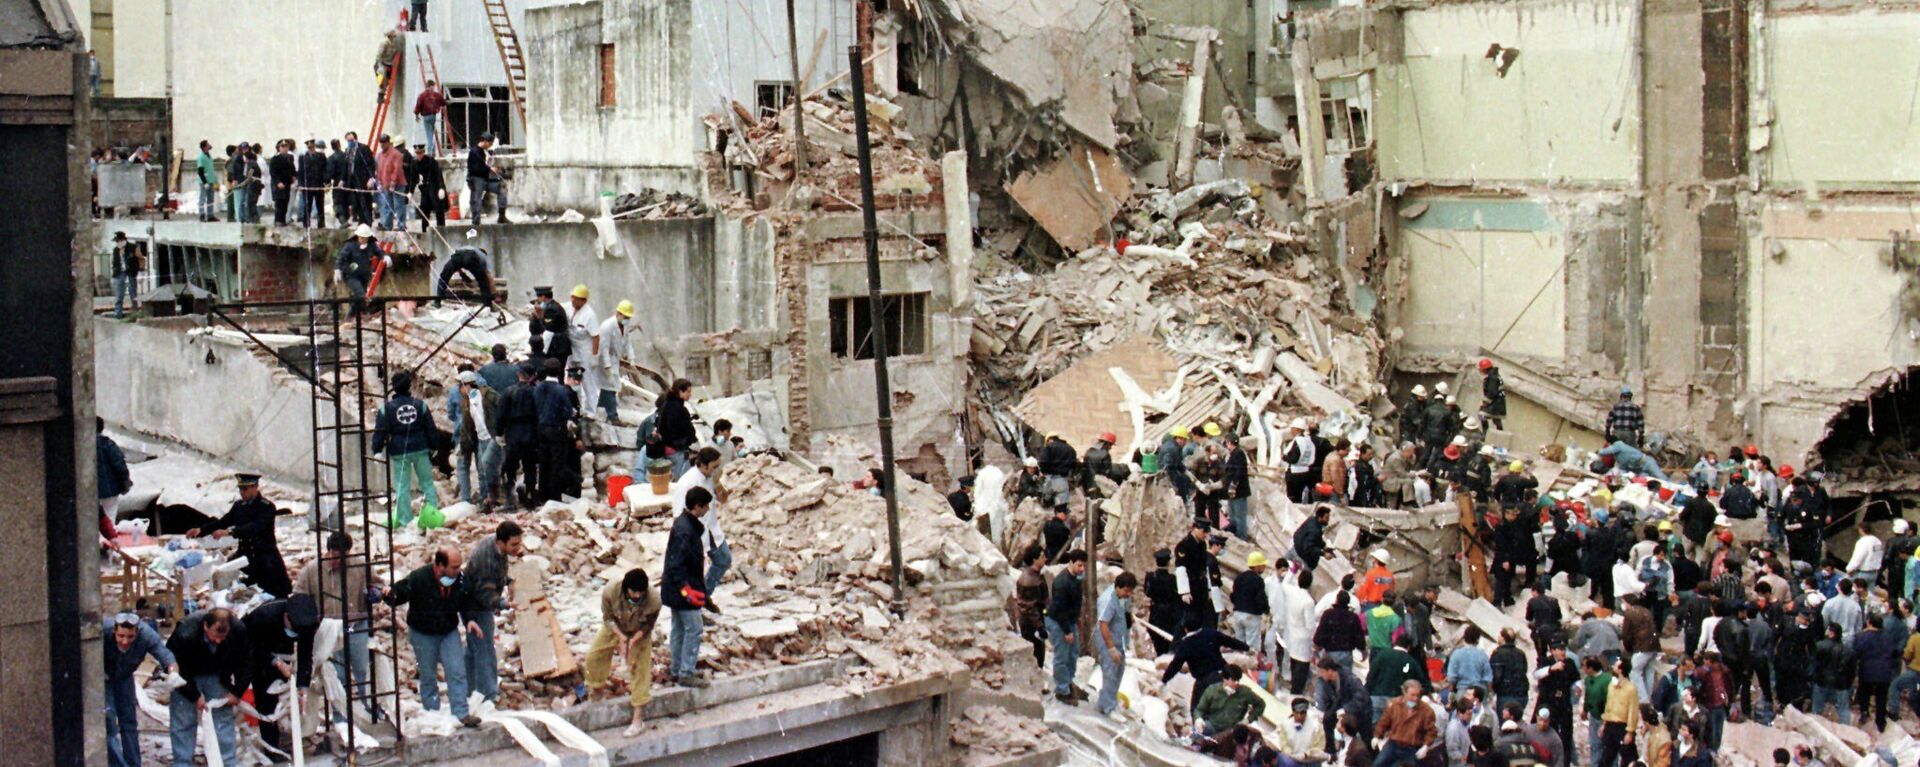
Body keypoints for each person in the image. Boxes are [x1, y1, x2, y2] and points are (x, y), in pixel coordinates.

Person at [383, 547, 482, 727]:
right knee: (428, 675)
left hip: (447, 631)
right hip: (423, 634)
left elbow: (466, 601)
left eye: (459, 566)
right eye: (453, 567)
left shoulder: (459, 579)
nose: (458, 571)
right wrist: (389, 594)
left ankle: (461, 712)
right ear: (439, 566)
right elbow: (401, 593)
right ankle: (432, 712)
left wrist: (470, 620)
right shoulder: (420, 578)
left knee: (457, 670)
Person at [184, 473, 292, 598]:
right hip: (246, 558)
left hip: (265, 558)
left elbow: (255, 527)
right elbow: (223, 522)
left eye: (245, 489)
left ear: (255, 487)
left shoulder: (266, 507)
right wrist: (201, 530)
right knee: (243, 593)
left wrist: (230, 532)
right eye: (240, 489)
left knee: (273, 592)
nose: (242, 492)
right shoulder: (239, 506)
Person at [166, 608, 249, 767]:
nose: (218, 641)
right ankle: (182, 762)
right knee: (183, 720)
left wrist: (237, 692)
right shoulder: (185, 633)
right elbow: (174, 667)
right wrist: (194, 695)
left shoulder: (238, 630)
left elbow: (246, 661)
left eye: (222, 638)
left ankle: (226, 762)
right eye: (215, 637)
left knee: (222, 719)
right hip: (187, 674)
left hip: (217, 673)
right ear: (205, 626)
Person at [585, 568, 662, 736]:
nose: (636, 596)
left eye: (640, 593)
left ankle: (638, 719)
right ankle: (596, 692)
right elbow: (608, 617)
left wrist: (633, 640)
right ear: (626, 588)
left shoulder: (654, 599)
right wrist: (621, 638)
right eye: (633, 592)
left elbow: (648, 625)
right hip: (615, 626)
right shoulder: (610, 591)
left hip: (639, 632)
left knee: (639, 670)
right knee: (594, 656)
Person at [242, 597, 316, 757]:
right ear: (286, 617)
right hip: (258, 653)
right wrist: (275, 662)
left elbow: (305, 654)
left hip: (283, 649)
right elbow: (250, 646)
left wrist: (303, 685)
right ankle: (271, 747)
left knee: (284, 698)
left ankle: (288, 736)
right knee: (265, 700)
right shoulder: (263, 615)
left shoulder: (307, 624)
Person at [104, 611, 175, 767]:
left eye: (130, 637)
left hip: (124, 677)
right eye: (120, 636)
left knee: (129, 722)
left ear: (137, 632)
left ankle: (134, 763)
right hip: (104, 678)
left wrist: (173, 671)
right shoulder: (103, 629)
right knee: (108, 721)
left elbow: (165, 655)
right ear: (114, 631)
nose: (124, 641)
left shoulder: (147, 635)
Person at [369, 370, 438, 525]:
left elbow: (380, 430)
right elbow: (430, 428)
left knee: (402, 486)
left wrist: (377, 450)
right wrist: (434, 446)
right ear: (409, 386)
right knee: (427, 483)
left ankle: (405, 520)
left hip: (399, 450)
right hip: (420, 448)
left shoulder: (386, 408)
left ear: (393, 387)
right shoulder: (420, 405)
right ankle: (432, 518)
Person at [464, 520, 521, 704]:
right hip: (475, 604)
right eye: (514, 544)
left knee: (474, 649)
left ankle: (469, 690)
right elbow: (485, 594)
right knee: (484, 649)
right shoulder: (487, 559)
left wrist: (508, 580)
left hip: (475, 600)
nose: (517, 548)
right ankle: (488, 694)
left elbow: (498, 573)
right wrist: (505, 604)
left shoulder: (495, 545)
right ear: (501, 542)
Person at [663, 486, 713, 687]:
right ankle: (686, 672)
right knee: (694, 628)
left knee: (679, 629)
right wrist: (687, 591)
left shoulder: (684, 525)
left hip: (676, 589)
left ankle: (677, 668)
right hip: (683, 589)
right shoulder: (686, 530)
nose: (707, 510)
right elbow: (677, 565)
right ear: (698, 506)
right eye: (706, 506)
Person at [1165, 623, 1254, 716]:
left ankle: (1201, 728)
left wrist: (1164, 680)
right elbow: (1230, 641)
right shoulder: (1210, 633)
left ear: (1186, 629)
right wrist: (1247, 648)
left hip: (1205, 679)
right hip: (1224, 675)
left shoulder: (1186, 644)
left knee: (1197, 710)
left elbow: (1175, 666)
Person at [1046, 550, 1087, 702]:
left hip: (1069, 621)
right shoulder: (1061, 582)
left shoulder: (1076, 578)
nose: (1082, 569)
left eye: (1084, 566)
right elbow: (1060, 608)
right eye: (1080, 565)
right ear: (1071, 563)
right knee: (1062, 656)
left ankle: (1069, 682)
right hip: (1059, 622)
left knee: (1073, 653)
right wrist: (1067, 631)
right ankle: (1062, 690)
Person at [532, 359, 576, 502]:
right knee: (556, 464)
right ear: (560, 371)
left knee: (543, 462)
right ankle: (554, 496)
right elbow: (567, 412)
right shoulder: (561, 390)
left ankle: (542, 495)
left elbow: (536, 406)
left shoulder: (538, 388)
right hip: (556, 429)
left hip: (541, 427)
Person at [1094, 571, 1137, 715]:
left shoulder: (1124, 597)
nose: (1128, 594)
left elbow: (1126, 614)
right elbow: (1103, 624)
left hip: (1120, 640)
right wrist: (1111, 648)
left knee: (1118, 672)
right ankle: (1107, 707)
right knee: (1110, 674)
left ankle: (1111, 701)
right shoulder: (1108, 600)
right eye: (1126, 590)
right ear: (1118, 587)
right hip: (1108, 642)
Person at [1372, 679, 1438, 767]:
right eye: (1412, 695)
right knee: (1377, 764)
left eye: (1418, 695)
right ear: (1404, 692)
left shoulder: (1426, 711)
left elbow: (1431, 731)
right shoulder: (1394, 705)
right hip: (1394, 744)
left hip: (1413, 747)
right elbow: (1384, 722)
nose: (1415, 698)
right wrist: (1377, 736)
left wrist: (1426, 746)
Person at [1853, 613, 1899, 731]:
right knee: (1882, 697)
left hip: (1867, 670)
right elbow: (1895, 653)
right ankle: (1880, 721)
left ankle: (1864, 713)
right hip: (1884, 671)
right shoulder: (1889, 637)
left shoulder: (1861, 636)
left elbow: (1856, 653)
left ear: (1869, 623)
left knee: (1865, 692)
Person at [590, 300, 633, 422]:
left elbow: (628, 342)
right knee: (610, 388)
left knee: (608, 388)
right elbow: (603, 348)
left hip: (614, 360)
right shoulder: (607, 326)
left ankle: (600, 410)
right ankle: (612, 415)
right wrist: (607, 366)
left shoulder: (624, 326)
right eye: (625, 316)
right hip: (604, 361)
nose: (627, 319)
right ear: (618, 313)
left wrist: (631, 358)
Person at [1195, 665, 1266, 735]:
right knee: (1195, 733)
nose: (1236, 683)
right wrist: (1198, 719)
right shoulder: (1212, 690)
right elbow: (1199, 709)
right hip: (1213, 726)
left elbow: (1261, 704)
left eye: (1238, 680)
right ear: (1225, 679)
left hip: (1231, 731)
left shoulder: (1245, 692)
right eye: (1233, 680)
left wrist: (1247, 720)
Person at [333, 224, 387, 314]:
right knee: (360, 293)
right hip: (351, 275)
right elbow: (341, 257)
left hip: (364, 275)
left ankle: (352, 315)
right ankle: (365, 313)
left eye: (365, 238)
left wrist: (384, 257)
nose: (363, 240)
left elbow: (379, 252)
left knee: (359, 297)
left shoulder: (371, 245)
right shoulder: (350, 245)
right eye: (361, 238)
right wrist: (337, 270)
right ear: (357, 236)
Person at [1368, 634, 1425, 720]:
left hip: (1377, 698)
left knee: (1376, 729)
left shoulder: (1381, 655)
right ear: (1409, 647)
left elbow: (1371, 676)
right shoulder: (1410, 661)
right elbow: (1421, 683)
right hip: (1397, 702)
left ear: (1395, 643)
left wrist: (1367, 692)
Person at [1280, 570, 1319, 695]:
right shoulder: (1308, 601)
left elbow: (1284, 584)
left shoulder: (1291, 592)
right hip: (1303, 637)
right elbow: (1310, 624)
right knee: (1302, 667)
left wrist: (1291, 572)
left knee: (1293, 661)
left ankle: (1292, 687)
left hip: (1291, 632)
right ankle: (1296, 691)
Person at [1176, 520, 1219, 630]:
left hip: (1201, 584)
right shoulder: (1184, 545)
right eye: (1203, 531)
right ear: (1195, 528)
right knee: (1191, 617)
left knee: (1203, 616)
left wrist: (1209, 588)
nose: (1205, 535)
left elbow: (1205, 568)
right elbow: (1181, 569)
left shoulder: (1202, 544)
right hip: (1191, 585)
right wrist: (1185, 591)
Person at [1597, 658, 1641, 767]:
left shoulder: (1631, 689)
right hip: (1611, 724)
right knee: (1606, 758)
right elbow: (1608, 706)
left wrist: (1630, 732)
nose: (1613, 667)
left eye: (1616, 665)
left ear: (1621, 670)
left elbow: (1633, 711)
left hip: (1623, 726)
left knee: (1629, 758)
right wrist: (1604, 724)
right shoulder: (1611, 685)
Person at [1810, 623, 1855, 725]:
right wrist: (1848, 684)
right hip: (1841, 684)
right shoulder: (1848, 650)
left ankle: (1815, 731)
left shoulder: (1819, 646)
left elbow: (1813, 664)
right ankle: (1846, 732)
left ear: (1831, 633)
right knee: (1843, 710)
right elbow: (1852, 670)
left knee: (1817, 709)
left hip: (1821, 682)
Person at [654, 378, 698, 478]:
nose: (690, 394)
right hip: (676, 449)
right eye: (688, 391)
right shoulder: (679, 409)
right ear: (680, 391)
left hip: (666, 447)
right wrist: (690, 438)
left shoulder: (667, 404)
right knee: (681, 479)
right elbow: (686, 429)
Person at [1013, 548, 1049, 666]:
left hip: (1035, 619)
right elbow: (1030, 607)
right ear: (1035, 559)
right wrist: (1039, 626)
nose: (1045, 558)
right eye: (1042, 556)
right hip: (1031, 623)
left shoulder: (1035, 576)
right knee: (1036, 655)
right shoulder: (1030, 580)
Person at [1230, 551, 1271, 650]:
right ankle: (1251, 664)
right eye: (1262, 565)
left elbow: (1233, 595)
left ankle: (1239, 664)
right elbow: (1261, 599)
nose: (1264, 567)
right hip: (1251, 615)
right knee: (1252, 646)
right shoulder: (1258, 580)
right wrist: (1267, 611)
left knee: (1239, 644)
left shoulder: (1239, 577)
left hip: (1237, 613)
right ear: (1257, 566)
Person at [467, 132, 508, 223]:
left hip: (485, 180)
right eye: (489, 144)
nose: (489, 146)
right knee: (476, 199)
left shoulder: (482, 152)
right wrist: (490, 169)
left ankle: (502, 216)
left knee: (502, 186)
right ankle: (476, 221)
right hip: (476, 180)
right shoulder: (474, 152)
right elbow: (475, 169)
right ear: (485, 142)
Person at [1277, 697, 1330, 767]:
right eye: (1297, 713)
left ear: (1306, 712)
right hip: (1293, 760)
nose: (1299, 716)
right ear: (1293, 712)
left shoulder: (1316, 726)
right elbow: (1284, 745)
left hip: (1311, 762)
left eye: (1302, 713)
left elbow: (1319, 747)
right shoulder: (1285, 725)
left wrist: (1306, 754)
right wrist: (1291, 754)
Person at [413, 143, 447, 230]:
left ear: (423, 152)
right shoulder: (415, 163)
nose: (419, 155)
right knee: (424, 209)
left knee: (438, 208)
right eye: (417, 153)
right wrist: (410, 191)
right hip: (424, 188)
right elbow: (412, 177)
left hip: (434, 186)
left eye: (420, 153)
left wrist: (441, 187)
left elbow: (439, 175)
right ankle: (424, 229)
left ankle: (441, 228)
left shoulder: (431, 161)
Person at [1283, 419, 1318, 502]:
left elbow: (1294, 459)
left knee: (1292, 498)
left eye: (1292, 428)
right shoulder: (1308, 441)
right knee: (1299, 496)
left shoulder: (1298, 441)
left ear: (1297, 429)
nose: (1291, 431)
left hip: (1294, 473)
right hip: (1305, 472)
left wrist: (1284, 457)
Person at [108, 232, 141, 319]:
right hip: (119, 273)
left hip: (131, 272)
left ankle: (135, 312)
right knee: (119, 294)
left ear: (123, 240)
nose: (117, 243)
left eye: (118, 241)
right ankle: (118, 314)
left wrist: (140, 270)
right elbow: (113, 262)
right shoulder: (116, 250)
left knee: (133, 293)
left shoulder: (133, 247)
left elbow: (140, 258)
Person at [268, 139, 296, 225]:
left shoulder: (290, 157)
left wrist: (294, 176)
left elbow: (292, 169)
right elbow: (273, 172)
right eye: (282, 146)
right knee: (279, 203)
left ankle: (283, 221)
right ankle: (278, 221)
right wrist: (278, 182)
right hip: (279, 185)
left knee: (285, 203)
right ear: (279, 148)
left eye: (286, 146)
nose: (285, 148)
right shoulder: (275, 159)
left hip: (287, 183)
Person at [1296, 504, 1331, 570]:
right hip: (1304, 558)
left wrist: (1323, 546)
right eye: (1326, 518)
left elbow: (1315, 539)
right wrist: (1324, 554)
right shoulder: (1316, 530)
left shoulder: (1312, 520)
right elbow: (1310, 547)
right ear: (1320, 517)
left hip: (1297, 548)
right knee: (1305, 578)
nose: (1328, 520)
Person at [415, 80, 445, 154]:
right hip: (433, 116)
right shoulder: (436, 95)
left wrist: (416, 115)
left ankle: (430, 152)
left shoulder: (422, 95)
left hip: (426, 116)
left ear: (427, 86)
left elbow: (418, 105)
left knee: (429, 134)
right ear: (432, 86)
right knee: (431, 133)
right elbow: (443, 102)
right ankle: (433, 150)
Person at [196, 139, 219, 221]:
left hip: (211, 180)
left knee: (210, 199)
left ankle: (210, 215)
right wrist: (204, 182)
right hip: (204, 182)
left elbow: (211, 169)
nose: (210, 145)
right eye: (208, 144)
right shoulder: (201, 157)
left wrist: (216, 181)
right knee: (202, 198)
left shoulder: (209, 156)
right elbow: (200, 171)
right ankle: (202, 215)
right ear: (205, 147)